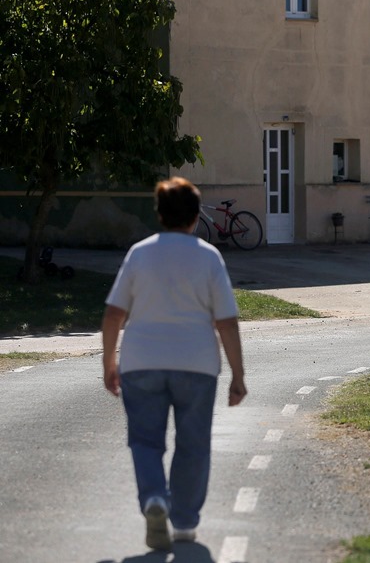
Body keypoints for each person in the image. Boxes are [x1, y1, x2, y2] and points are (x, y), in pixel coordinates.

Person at [101, 177, 247, 551]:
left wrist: (108, 363)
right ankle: (183, 523)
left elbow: (114, 313)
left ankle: (154, 499)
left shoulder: (139, 253)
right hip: (196, 364)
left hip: (141, 362)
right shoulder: (209, 257)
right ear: (196, 218)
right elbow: (226, 321)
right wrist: (238, 375)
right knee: (193, 444)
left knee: (146, 441)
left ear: (160, 214)